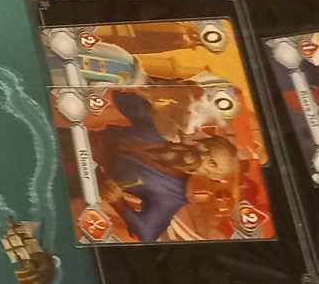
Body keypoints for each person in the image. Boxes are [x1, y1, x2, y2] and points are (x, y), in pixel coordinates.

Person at [88, 88, 241, 243]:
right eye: (207, 148)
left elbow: (146, 233)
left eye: (211, 163)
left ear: (210, 176)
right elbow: (118, 96)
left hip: (85, 177)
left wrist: (118, 202)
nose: (202, 156)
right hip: (80, 139)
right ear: (202, 140)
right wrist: (154, 101)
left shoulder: (171, 196)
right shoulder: (160, 128)